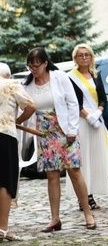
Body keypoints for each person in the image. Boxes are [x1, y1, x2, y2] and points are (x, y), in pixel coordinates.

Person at [23, 47, 97, 231]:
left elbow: (73, 103)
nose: (33, 70)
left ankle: (88, 213)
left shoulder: (60, 77)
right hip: (44, 132)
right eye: (30, 66)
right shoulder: (28, 85)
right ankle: (55, 218)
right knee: (52, 175)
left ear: (45, 63)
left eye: (36, 66)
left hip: (64, 129)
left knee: (74, 170)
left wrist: (72, 130)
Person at [66, 43, 108, 211]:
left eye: (87, 55)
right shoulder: (71, 77)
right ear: (75, 58)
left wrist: (98, 113)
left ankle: (91, 191)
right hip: (81, 121)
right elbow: (73, 102)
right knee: (83, 158)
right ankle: (84, 197)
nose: (84, 58)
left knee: (94, 157)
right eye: (80, 55)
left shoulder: (95, 75)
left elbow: (103, 98)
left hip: (95, 120)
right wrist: (87, 116)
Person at [0, 62, 36, 241]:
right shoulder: (12, 85)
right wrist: (18, 121)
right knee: (5, 181)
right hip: (5, 135)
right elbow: (30, 106)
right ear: (7, 75)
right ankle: (2, 228)